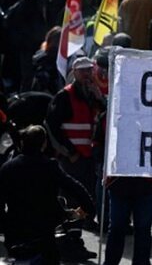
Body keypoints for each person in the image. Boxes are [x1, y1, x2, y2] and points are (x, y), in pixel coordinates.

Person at [0, 125, 95, 265]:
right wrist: (89, 208)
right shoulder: (49, 166)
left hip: (16, 231)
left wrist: (5, 224)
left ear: (22, 143)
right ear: (43, 144)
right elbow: (74, 187)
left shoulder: (7, 168)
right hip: (44, 230)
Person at [44, 57, 105, 207]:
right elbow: (52, 127)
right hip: (73, 156)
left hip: (91, 155)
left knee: (89, 192)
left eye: (89, 70)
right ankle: (70, 224)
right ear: (74, 72)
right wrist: (70, 152)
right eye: (83, 70)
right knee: (70, 193)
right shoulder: (64, 96)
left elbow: (105, 119)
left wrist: (101, 99)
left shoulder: (93, 93)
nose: (87, 73)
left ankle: (87, 221)